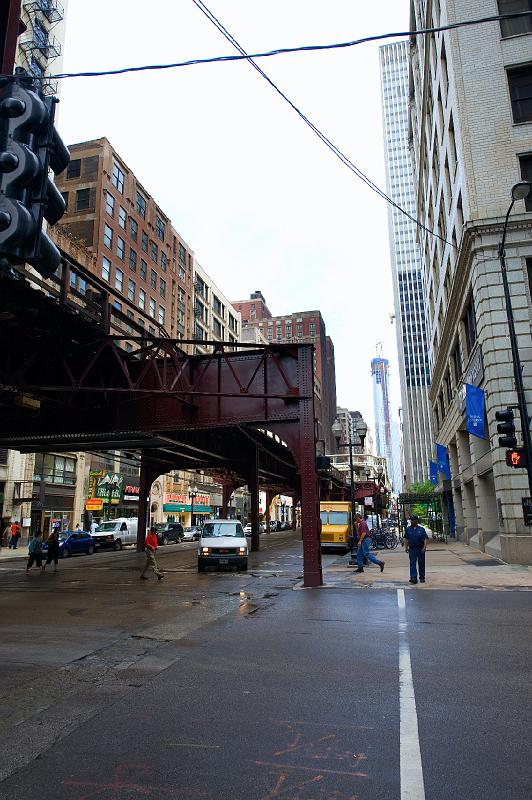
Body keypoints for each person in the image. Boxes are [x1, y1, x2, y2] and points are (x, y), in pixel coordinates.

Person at [404, 514, 429, 584]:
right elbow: (406, 539)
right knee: (412, 563)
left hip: (420, 548)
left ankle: (422, 577)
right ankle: (413, 577)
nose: (412, 521)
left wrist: (424, 547)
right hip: (412, 549)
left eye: (413, 520)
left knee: (421, 563)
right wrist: (406, 547)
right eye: (411, 520)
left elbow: (425, 539)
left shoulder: (421, 529)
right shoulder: (408, 529)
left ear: (416, 521)